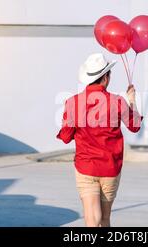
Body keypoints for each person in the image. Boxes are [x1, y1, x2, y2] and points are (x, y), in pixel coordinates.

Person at [57, 53, 143, 227]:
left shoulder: (73, 102)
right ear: (105, 77)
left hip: (86, 167)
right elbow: (134, 125)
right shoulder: (117, 102)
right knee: (104, 218)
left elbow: (66, 137)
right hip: (110, 168)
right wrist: (132, 100)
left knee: (91, 219)